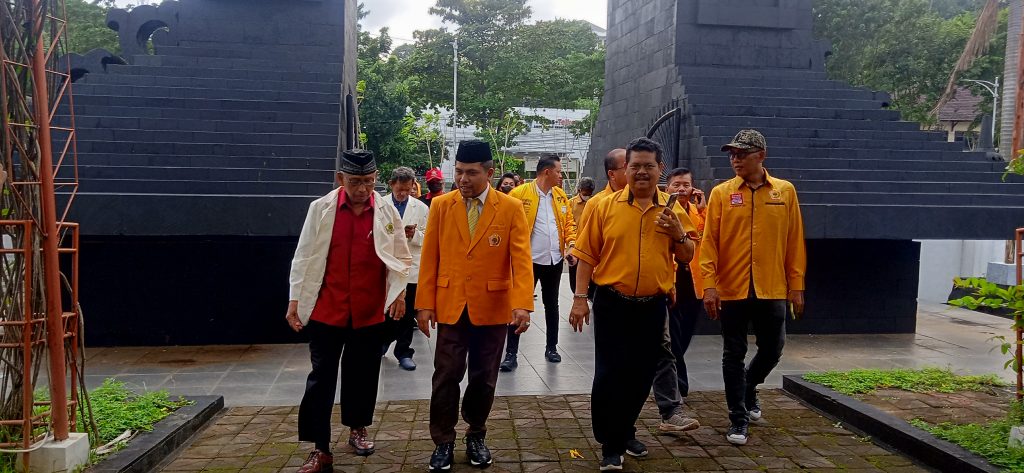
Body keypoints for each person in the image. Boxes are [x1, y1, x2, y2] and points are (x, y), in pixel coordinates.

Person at [569, 137, 697, 471]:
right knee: (609, 374)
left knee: (641, 376)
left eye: (648, 166)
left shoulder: (672, 207)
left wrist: (678, 233)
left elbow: (687, 255)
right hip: (612, 302)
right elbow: (586, 256)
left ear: (660, 169)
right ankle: (610, 444)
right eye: (635, 166)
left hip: (652, 305)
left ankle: (624, 430)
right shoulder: (603, 206)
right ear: (625, 169)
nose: (642, 172)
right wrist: (580, 299)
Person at [286, 149, 412, 473]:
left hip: (369, 311)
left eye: (368, 181)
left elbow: (401, 257)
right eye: (355, 182)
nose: (362, 189)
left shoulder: (386, 211)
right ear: (340, 178)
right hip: (327, 310)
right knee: (321, 378)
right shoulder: (321, 209)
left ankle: (358, 429)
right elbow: (303, 256)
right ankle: (320, 448)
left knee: (363, 375)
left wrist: (399, 294)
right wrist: (294, 300)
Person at [415, 140, 534, 472]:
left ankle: (476, 435)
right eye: (459, 172)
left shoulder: (510, 208)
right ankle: (443, 441)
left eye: (471, 173)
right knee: (446, 375)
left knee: (484, 378)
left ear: (489, 173)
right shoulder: (441, 205)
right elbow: (429, 258)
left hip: (493, 307)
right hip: (451, 304)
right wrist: (424, 304)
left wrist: (522, 304)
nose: (463, 179)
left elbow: (521, 260)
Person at [701, 129, 806, 446]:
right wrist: (709, 285)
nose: (735, 160)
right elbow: (709, 243)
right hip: (731, 288)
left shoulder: (784, 192)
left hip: (771, 287)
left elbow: (794, 241)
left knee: (773, 348)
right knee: (733, 353)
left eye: (742, 154)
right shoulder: (721, 193)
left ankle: (748, 388)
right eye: (732, 154)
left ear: (761, 155)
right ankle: (738, 417)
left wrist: (796, 285)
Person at [502, 153, 577, 371]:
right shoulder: (519, 194)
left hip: (554, 260)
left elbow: (569, 224)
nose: (561, 176)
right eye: (559, 172)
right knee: (518, 305)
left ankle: (551, 347)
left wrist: (571, 245)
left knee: (552, 304)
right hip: (527, 262)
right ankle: (511, 353)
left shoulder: (560, 196)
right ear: (547, 172)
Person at [648, 168, 707, 434]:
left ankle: (674, 384)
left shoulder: (696, 212)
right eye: (676, 185)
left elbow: (704, 239)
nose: (681, 189)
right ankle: (677, 388)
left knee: (684, 335)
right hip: (669, 282)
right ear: (667, 187)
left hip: (693, 282)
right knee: (671, 338)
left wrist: (702, 210)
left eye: (686, 185)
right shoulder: (663, 210)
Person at [382, 166, 431, 371]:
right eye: (399, 189)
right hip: (387, 265)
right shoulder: (380, 205)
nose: (403, 193)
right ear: (391, 185)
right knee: (387, 311)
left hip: (411, 266)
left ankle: (403, 351)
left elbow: (428, 237)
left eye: (407, 189)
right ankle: (384, 341)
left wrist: (414, 235)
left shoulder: (421, 208)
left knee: (407, 311)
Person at [567, 177, 595, 295]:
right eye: (585, 193)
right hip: (576, 246)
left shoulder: (595, 203)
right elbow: (568, 224)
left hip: (590, 246)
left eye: (589, 193)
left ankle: (590, 297)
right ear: (579, 190)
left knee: (592, 278)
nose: (587, 196)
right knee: (574, 279)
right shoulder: (571, 203)